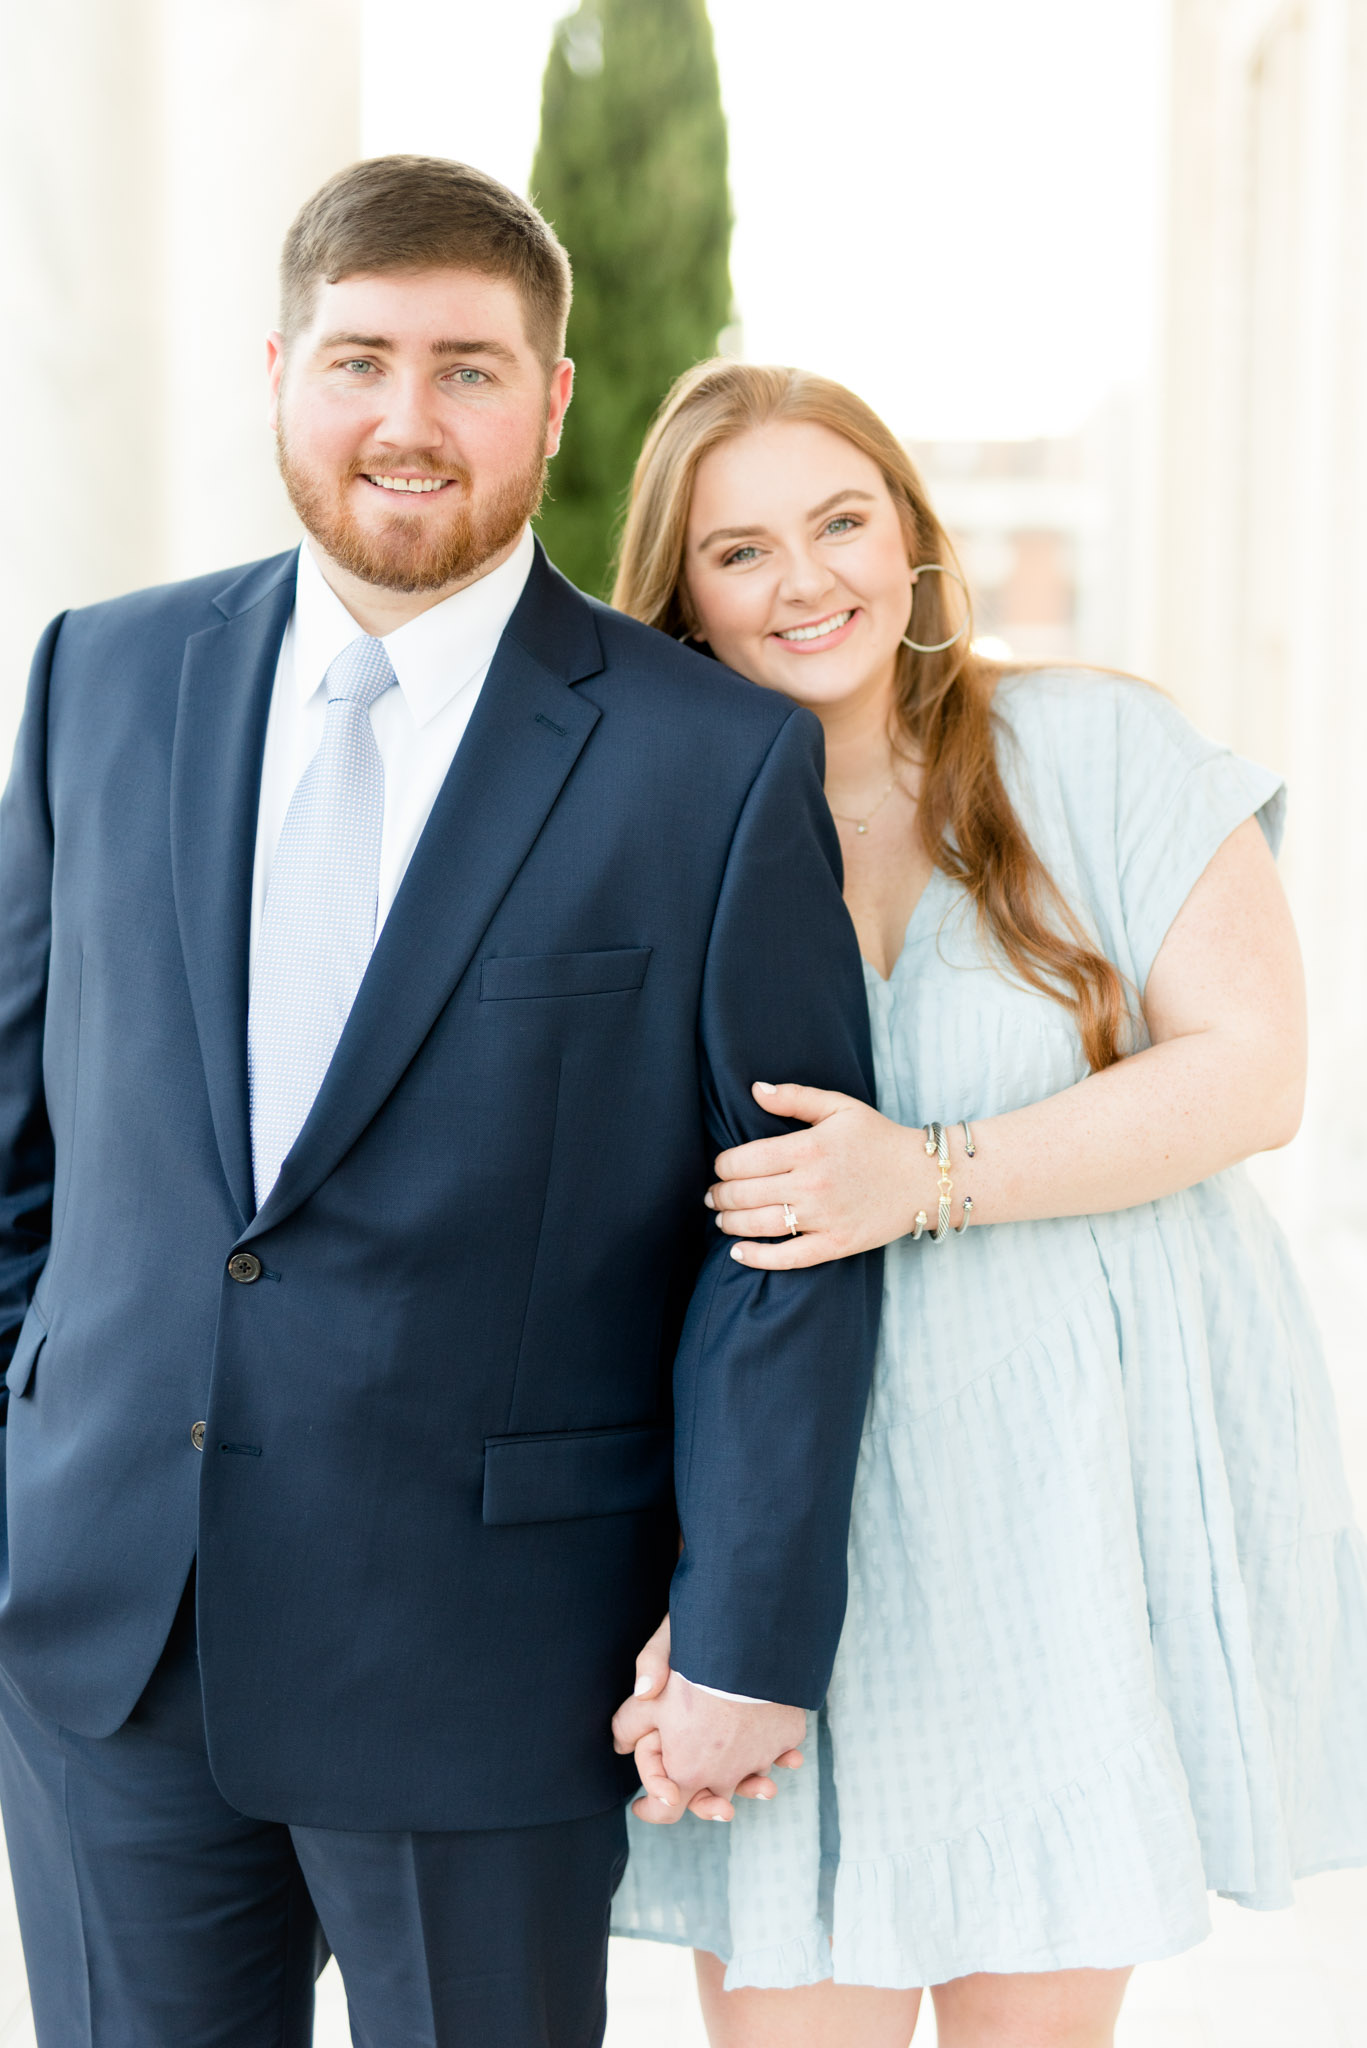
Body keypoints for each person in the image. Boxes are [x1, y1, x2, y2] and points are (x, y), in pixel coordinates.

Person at [0, 164, 883, 2048]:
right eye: (361, 361)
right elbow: (25, 1148)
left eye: (470, 369)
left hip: (490, 1662)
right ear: (280, 376)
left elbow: (785, 1240)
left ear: (554, 402)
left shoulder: (708, 763)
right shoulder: (101, 675)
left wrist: (745, 1632)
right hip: (105, 1649)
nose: (408, 421)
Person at [608, 360, 1367, 2048]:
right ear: (680, 594)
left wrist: (928, 1177)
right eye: (742, 552)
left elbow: (1254, 1070)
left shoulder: (1090, 745)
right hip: (802, 1511)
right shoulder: (646, 832)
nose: (807, 581)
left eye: (840, 521)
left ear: (913, 537)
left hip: (1067, 1506)